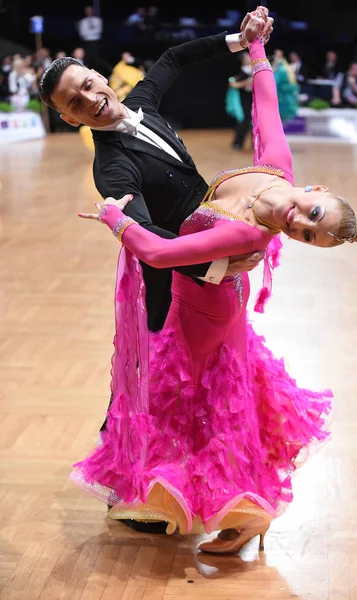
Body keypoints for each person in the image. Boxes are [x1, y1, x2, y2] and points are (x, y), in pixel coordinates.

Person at [73, 18, 357, 554]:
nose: (296, 221)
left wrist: (114, 220)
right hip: (216, 299)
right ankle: (239, 510)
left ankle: (236, 511)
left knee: (202, 409)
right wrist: (255, 45)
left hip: (200, 309)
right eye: (312, 212)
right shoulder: (276, 171)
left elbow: (161, 252)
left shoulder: (245, 230)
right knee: (225, 404)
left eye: (305, 234)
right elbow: (266, 109)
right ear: (316, 188)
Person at [39, 7, 272, 534]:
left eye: (89, 84)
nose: (91, 98)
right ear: (70, 119)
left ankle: (159, 477)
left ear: (100, 77)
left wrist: (240, 37)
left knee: (174, 381)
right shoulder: (112, 167)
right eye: (74, 102)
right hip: (170, 282)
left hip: (205, 262)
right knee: (153, 383)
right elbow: (150, 243)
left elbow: (173, 57)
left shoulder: (140, 103)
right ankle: (127, 486)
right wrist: (217, 263)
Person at [226, 50, 253, 150]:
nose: (249, 57)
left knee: (256, 122)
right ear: (243, 60)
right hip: (244, 100)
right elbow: (232, 83)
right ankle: (238, 143)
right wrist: (247, 82)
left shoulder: (253, 70)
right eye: (247, 57)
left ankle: (255, 144)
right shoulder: (242, 72)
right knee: (244, 121)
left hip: (254, 99)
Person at [271, 49, 299, 121]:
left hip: (282, 96)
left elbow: (274, 81)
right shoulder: (282, 66)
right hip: (282, 94)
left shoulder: (283, 68)